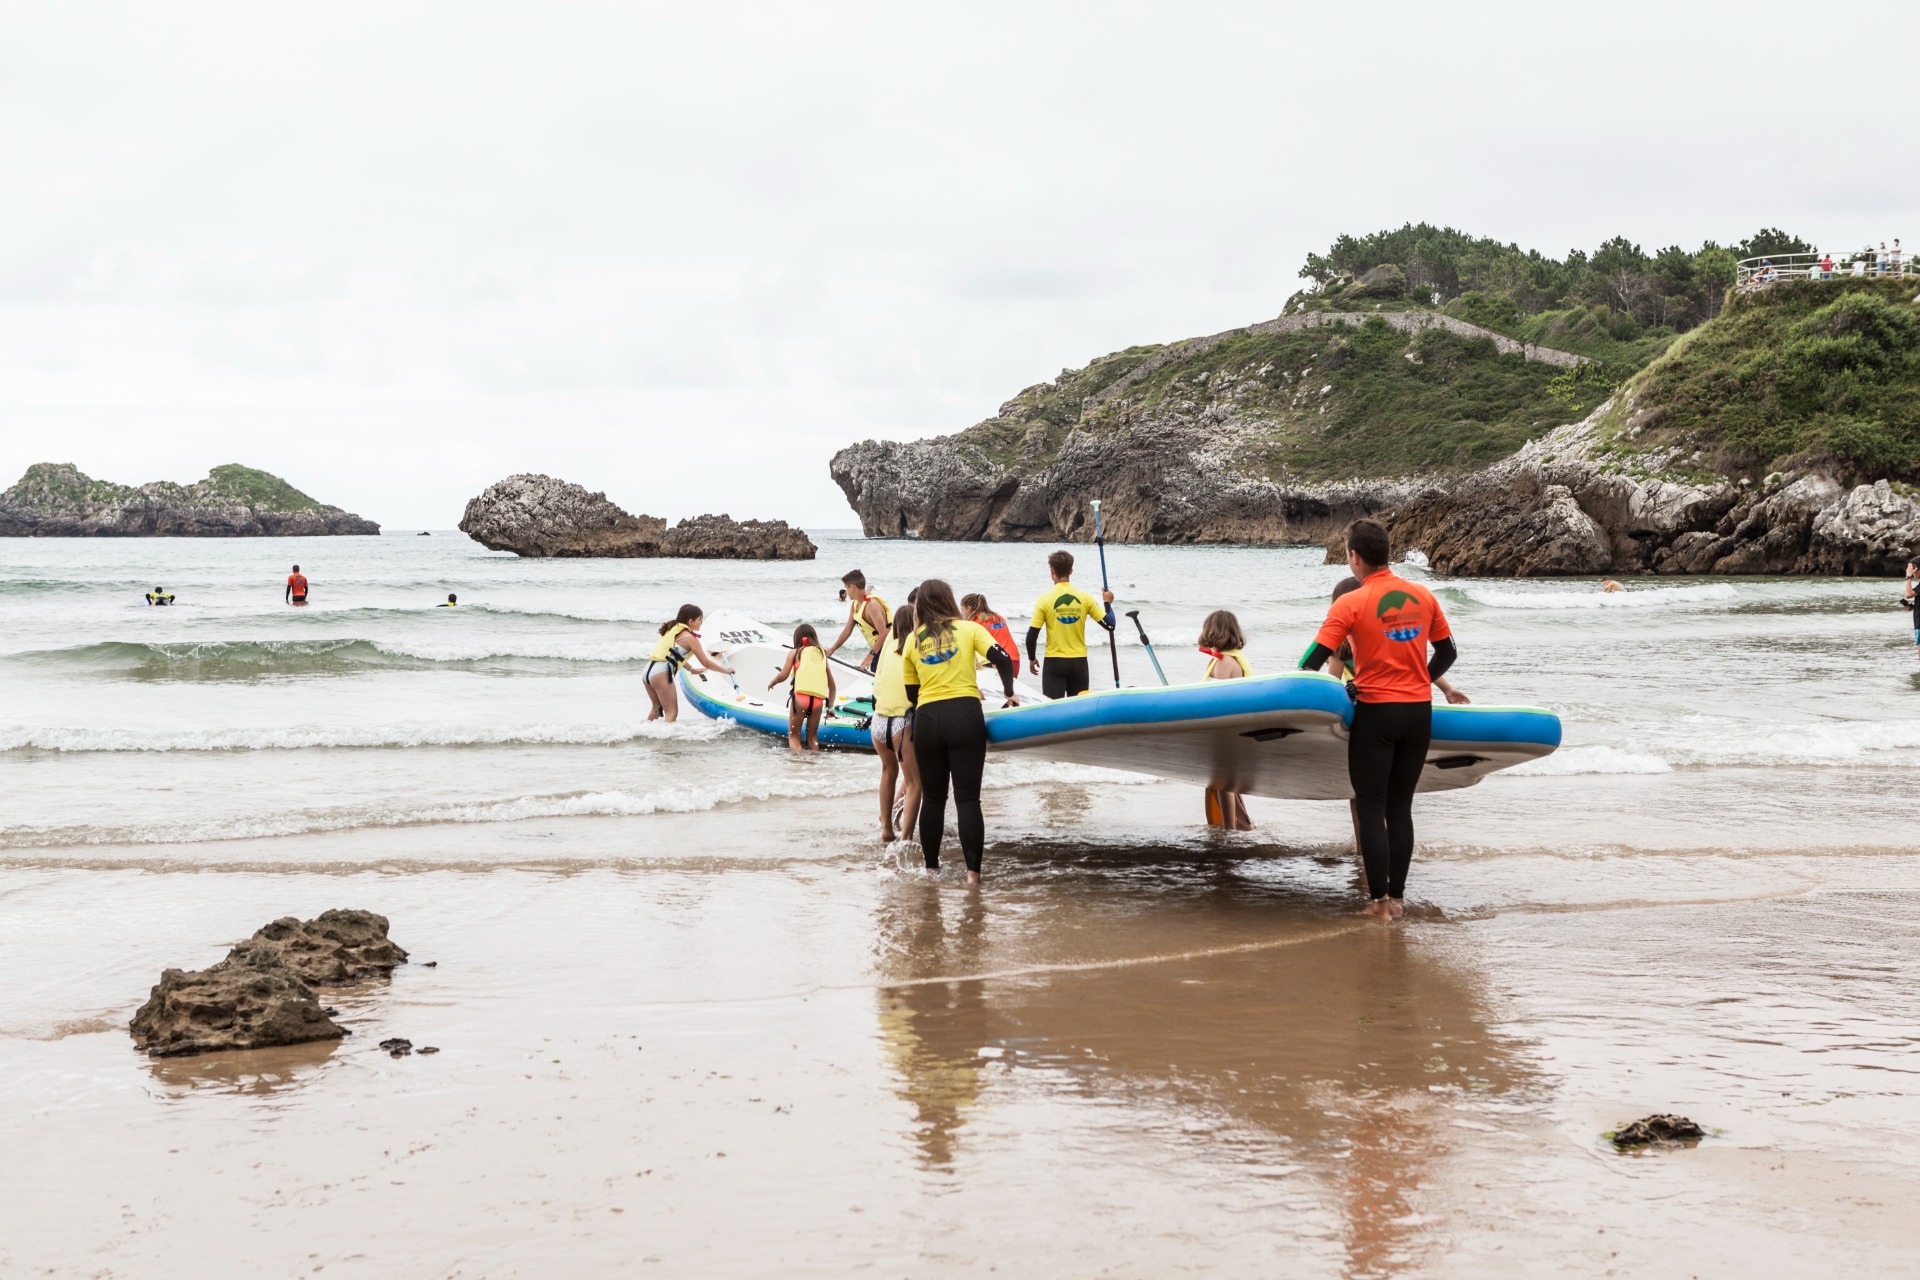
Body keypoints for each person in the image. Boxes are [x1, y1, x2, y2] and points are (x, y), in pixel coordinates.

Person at [1299, 519, 1461, 921]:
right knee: (1400, 807)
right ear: (1387, 553)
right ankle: (1399, 899)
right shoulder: (1422, 595)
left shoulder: (1349, 603)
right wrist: (1417, 679)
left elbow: (1310, 663)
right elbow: (1448, 653)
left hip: (1375, 713)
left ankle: (1378, 905)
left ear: (1354, 557)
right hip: (1418, 713)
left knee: (1371, 808)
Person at [902, 578, 1000, 883]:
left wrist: (929, 710)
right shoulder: (970, 629)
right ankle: (972, 876)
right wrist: (1009, 690)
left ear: (920, 605)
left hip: (928, 719)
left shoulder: (913, 640)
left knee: (933, 799)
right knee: (968, 799)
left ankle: (931, 869)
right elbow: (1003, 659)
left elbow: (911, 693)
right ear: (949, 600)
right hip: (965, 714)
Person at [1026, 550, 1115, 699]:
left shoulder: (1044, 599)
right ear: (1071, 571)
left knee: (1053, 711)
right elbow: (1110, 625)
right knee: (1078, 711)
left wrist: (1032, 657)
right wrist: (1107, 603)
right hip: (1078, 663)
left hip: (1054, 663)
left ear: (1052, 571)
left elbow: (1031, 636)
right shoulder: (1085, 598)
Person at [1197, 609, 1254, 831]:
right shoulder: (1234, 659)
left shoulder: (1223, 663)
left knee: (1222, 782)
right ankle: (1243, 821)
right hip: (1238, 727)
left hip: (1226, 730)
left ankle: (1230, 828)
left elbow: (1217, 700)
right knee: (1231, 781)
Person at [870, 605, 922, 841]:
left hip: (879, 721)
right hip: (902, 722)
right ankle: (906, 839)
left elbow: (877, 683)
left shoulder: (888, 645)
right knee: (914, 784)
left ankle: (886, 829)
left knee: (888, 771)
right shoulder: (916, 645)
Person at [644, 604, 733, 723]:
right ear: (691, 621)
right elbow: (706, 663)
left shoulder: (672, 629)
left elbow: (673, 656)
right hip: (662, 674)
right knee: (672, 713)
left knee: (656, 709)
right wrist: (725, 670)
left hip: (648, 672)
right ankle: (667, 741)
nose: (701, 622)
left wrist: (691, 669)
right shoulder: (690, 638)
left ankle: (644, 735)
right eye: (699, 619)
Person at [769, 623, 835, 752]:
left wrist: (773, 681)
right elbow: (832, 686)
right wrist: (830, 708)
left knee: (794, 736)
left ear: (797, 638)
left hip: (800, 699)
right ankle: (814, 764)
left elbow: (783, 675)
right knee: (812, 738)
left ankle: (798, 767)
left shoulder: (794, 653)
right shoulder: (822, 655)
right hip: (817, 702)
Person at [961, 594, 1023, 707]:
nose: (962, 614)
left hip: (997, 662)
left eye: (962, 610)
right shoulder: (997, 616)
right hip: (1014, 659)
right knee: (1008, 699)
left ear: (969, 608)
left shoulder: (974, 622)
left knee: (993, 702)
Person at [826, 570, 892, 671]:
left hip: (887, 650)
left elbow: (884, 633)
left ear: (852, 587)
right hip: (877, 650)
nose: (846, 592)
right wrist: (832, 650)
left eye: (846, 588)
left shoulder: (872, 605)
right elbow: (847, 630)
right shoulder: (855, 605)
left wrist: (870, 657)